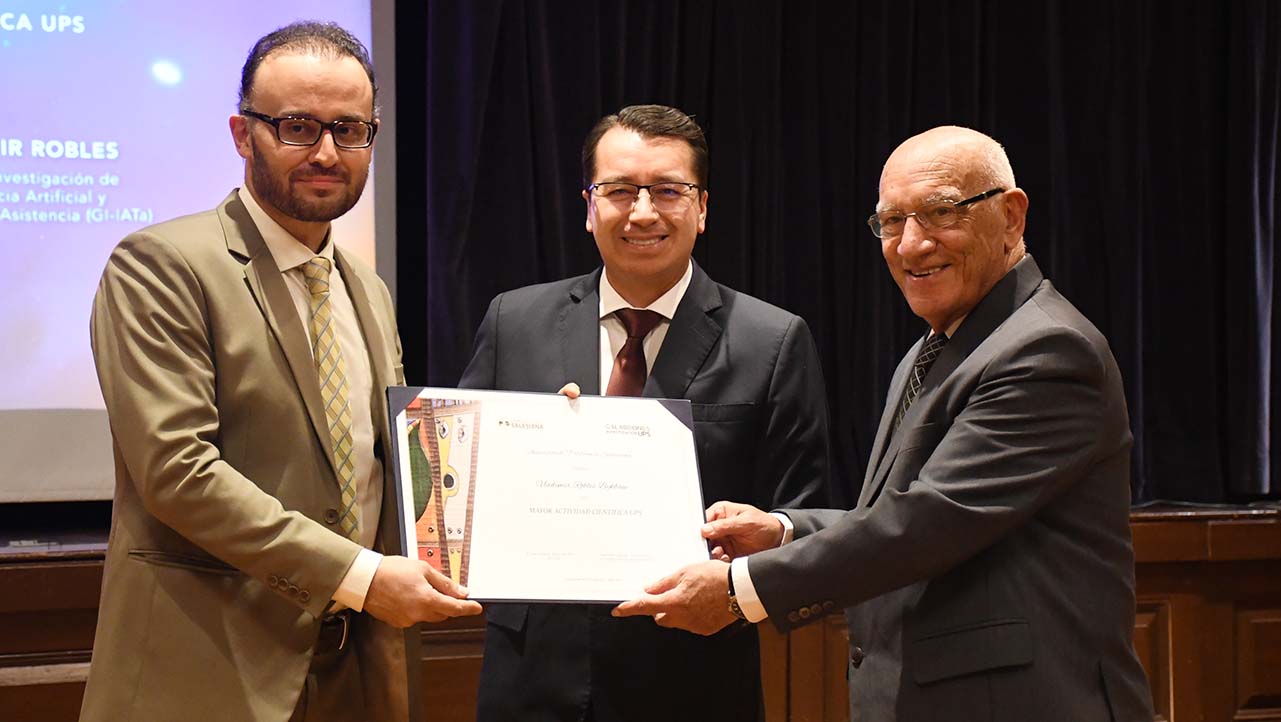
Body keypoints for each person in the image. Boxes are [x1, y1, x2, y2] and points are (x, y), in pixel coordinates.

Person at [616, 126, 1155, 721]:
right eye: (892, 221)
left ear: (1012, 215)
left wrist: (742, 591)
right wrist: (783, 531)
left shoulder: (1047, 350)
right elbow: (904, 516)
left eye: (940, 212)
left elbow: (927, 523)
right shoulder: (940, 346)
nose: (911, 244)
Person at [82, 21, 481, 722]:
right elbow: (178, 472)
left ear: (372, 136)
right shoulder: (160, 265)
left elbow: (381, 469)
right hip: (212, 672)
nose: (327, 152)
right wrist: (358, 578)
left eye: (349, 130)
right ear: (242, 133)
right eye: (297, 126)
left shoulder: (366, 287)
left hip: (355, 669)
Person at [458, 104, 830, 722]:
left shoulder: (773, 339)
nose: (642, 212)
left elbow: (801, 512)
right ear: (588, 205)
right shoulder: (513, 320)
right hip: (532, 682)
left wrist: (736, 570)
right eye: (620, 190)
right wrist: (530, 453)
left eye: (667, 190)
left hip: (694, 681)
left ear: (702, 207)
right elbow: (462, 486)